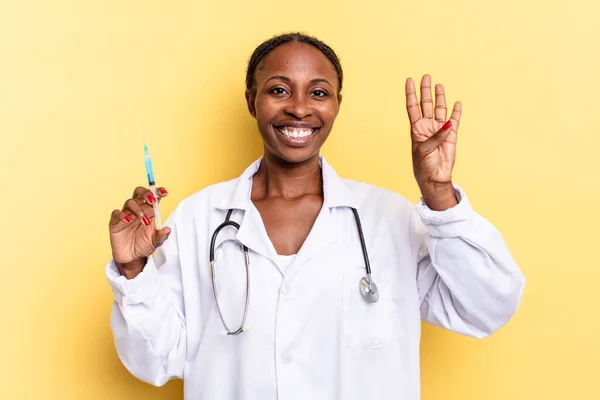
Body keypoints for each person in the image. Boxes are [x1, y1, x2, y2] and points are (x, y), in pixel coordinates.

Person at [106, 32, 525, 399]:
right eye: (279, 90)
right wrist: (133, 271)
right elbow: (158, 360)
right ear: (252, 102)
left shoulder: (388, 219)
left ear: (337, 106)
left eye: (319, 93)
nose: (300, 109)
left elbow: (485, 308)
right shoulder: (199, 219)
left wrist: (439, 195)